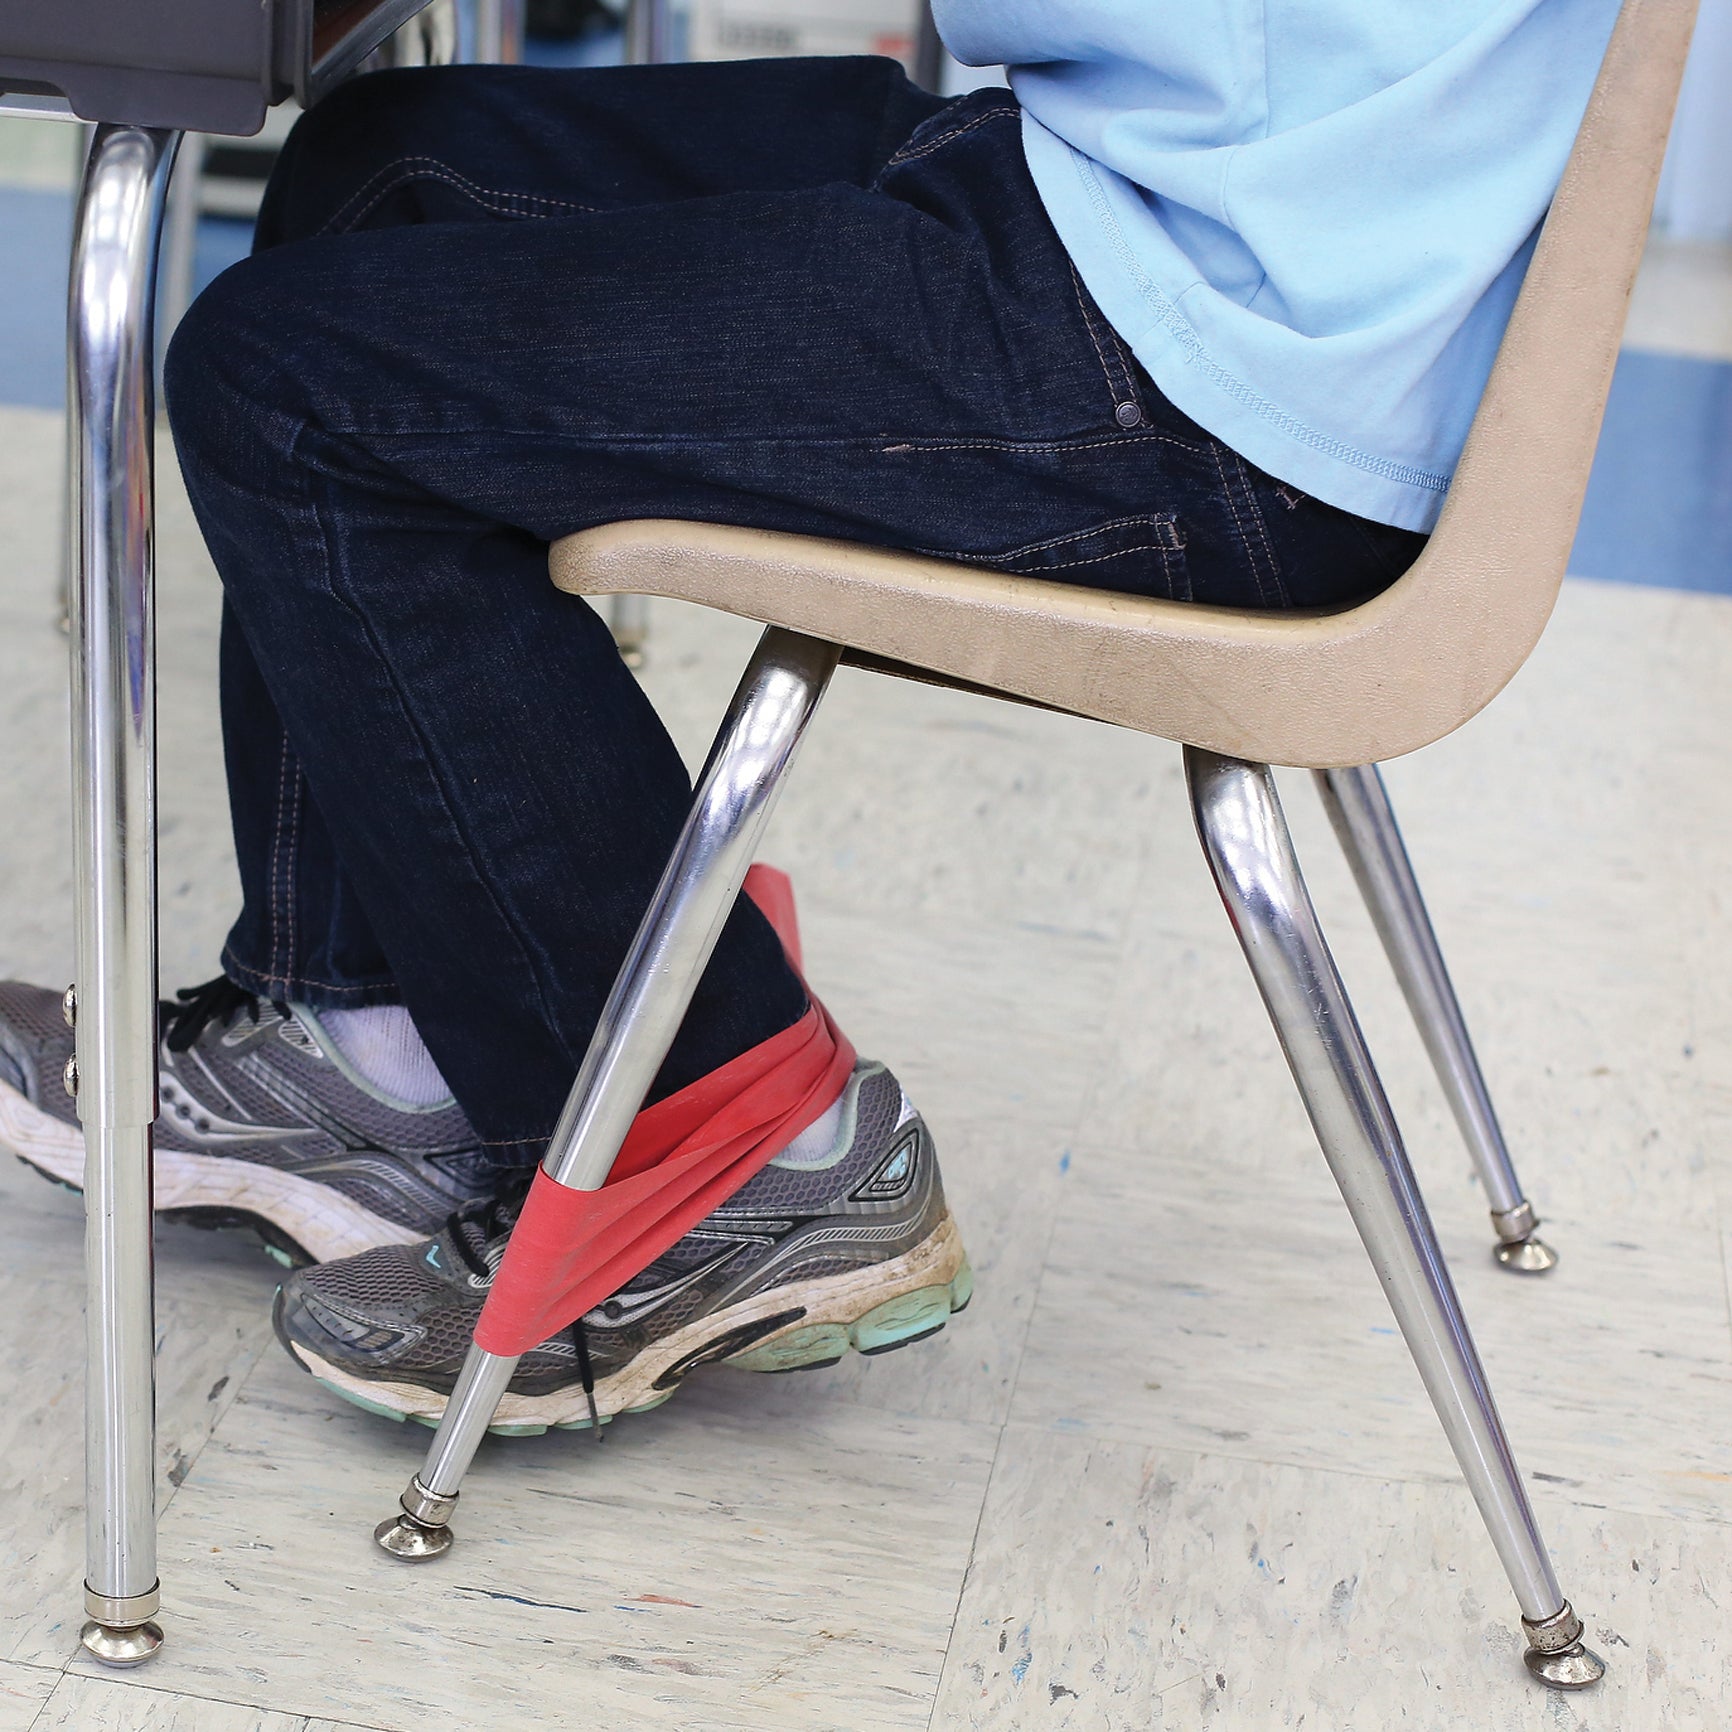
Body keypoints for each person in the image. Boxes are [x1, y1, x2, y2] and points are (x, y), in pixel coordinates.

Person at [0, 1, 1618, 1431]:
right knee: (380, 164)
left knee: (282, 388)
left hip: (1202, 361)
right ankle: (380, 1044)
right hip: (1236, 211)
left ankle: (733, 1147)